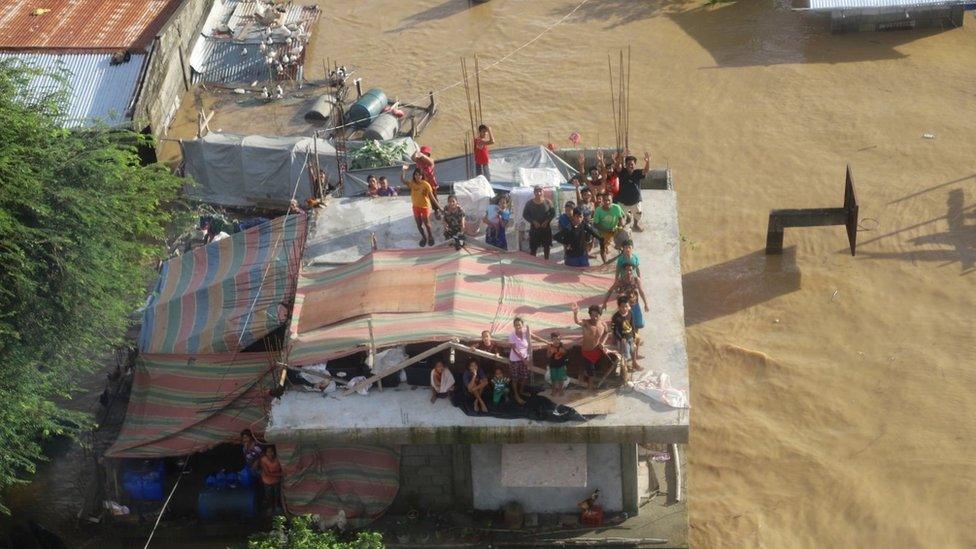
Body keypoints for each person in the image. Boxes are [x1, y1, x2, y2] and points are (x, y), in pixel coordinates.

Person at [572, 303, 609, 391]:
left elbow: (607, 333)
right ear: (590, 315)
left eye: (597, 315)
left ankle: (584, 375)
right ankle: (590, 388)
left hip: (597, 351)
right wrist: (575, 313)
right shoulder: (586, 323)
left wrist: (603, 343)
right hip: (586, 352)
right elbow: (577, 322)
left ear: (600, 315)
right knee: (591, 372)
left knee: (593, 369)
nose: (594, 317)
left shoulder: (603, 325)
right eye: (592, 315)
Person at [401, 166, 441, 247]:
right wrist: (403, 171)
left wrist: (440, 208)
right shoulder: (412, 183)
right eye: (416, 174)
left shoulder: (426, 185)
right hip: (415, 207)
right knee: (419, 225)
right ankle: (424, 237)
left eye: (419, 175)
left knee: (427, 224)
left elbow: (432, 198)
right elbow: (403, 180)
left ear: (422, 176)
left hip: (425, 207)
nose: (417, 176)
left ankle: (430, 236)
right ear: (414, 175)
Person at [613, 150, 650, 232]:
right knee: (621, 216)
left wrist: (647, 162)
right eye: (628, 164)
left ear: (635, 165)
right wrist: (621, 157)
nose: (630, 166)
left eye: (632, 164)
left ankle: (635, 225)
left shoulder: (638, 173)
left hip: (635, 201)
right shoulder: (622, 172)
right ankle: (622, 226)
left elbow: (646, 171)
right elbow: (617, 166)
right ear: (625, 165)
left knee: (638, 215)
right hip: (623, 201)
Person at [522, 186, 555, 260]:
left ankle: (547, 262)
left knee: (546, 247)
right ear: (534, 193)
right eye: (537, 191)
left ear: (543, 192)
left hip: (546, 228)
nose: (539, 193)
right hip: (534, 229)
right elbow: (525, 215)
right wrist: (533, 222)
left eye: (540, 191)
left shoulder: (548, 202)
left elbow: (553, 213)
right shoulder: (529, 203)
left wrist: (547, 221)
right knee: (533, 248)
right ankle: (534, 263)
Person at [611, 295, 640, 376]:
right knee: (625, 355)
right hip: (623, 340)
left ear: (628, 306)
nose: (624, 309)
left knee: (633, 350)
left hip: (630, 336)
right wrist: (621, 338)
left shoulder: (630, 313)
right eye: (622, 307)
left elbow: (632, 325)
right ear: (619, 307)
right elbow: (615, 330)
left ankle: (634, 363)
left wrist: (634, 335)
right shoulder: (616, 317)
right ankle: (626, 369)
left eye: (626, 306)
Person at [593, 192, 626, 264]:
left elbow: (621, 217)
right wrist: (606, 230)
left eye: (609, 200)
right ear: (602, 200)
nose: (607, 202)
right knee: (602, 247)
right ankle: (605, 262)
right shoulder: (598, 210)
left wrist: (622, 225)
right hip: (603, 231)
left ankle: (622, 250)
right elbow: (595, 224)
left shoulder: (617, 207)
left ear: (612, 200)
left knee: (625, 236)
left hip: (615, 228)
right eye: (605, 200)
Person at [507, 317, 531, 405]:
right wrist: (523, 360)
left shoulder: (526, 333)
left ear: (522, 325)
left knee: (524, 376)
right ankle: (516, 395)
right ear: (514, 326)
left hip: (525, 359)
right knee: (515, 378)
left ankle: (521, 391)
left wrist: (546, 343)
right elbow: (514, 349)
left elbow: (534, 337)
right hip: (515, 360)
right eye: (516, 325)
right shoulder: (511, 335)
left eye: (519, 324)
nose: (518, 326)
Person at [258, 445, 283, 515]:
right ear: (265, 453)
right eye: (268, 452)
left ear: (274, 452)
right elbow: (267, 473)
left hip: (277, 480)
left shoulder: (279, 459)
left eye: (271, 451)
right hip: (267, 480)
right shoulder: (263, 460)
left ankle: (277, 507)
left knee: (277, 494)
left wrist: (280, 474)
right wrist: (280, 474)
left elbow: (282, 468)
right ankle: (270, 507)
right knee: (269, 495)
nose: (270, 454)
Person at [547, 332, 569, 397]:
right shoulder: (550, 346)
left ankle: (561, 390)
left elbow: (566, 354)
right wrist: (551, 352)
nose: (556, 341)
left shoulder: (562, 346)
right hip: (553, 365)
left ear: (560, 339)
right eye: (554, 339)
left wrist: (563, 351)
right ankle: (553, 390)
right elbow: (548, 356)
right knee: (553, 379)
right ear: (551, 340)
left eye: (558, 339)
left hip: (561, 365)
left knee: (560, 379)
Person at [628, 290, 645, 361]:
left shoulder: (635, 305)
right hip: (632, 327)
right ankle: (635, 357)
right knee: (634, 341)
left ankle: (635, 355)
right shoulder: (629, 309)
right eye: (631, 297)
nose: (633, 299)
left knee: (637, 339)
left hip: (635, 325)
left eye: (634, 297)